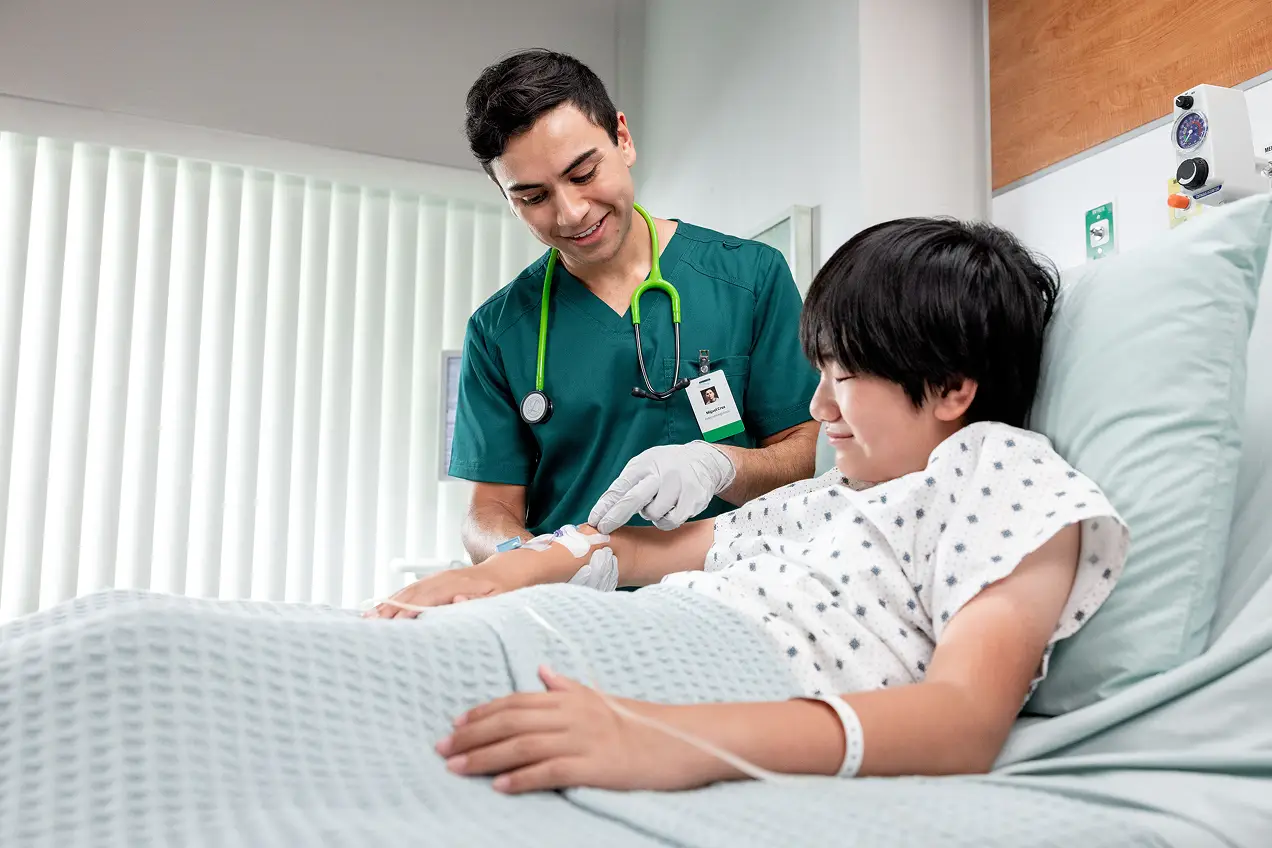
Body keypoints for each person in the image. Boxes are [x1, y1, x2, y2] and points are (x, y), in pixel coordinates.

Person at [361, 216, 1132, 795]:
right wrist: (504, 572)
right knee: (369, 663)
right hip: (619, 631)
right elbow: (636, 552)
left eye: (843, 376)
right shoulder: (830, 495)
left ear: (953, 387)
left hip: (703, 684)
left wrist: (665, 736)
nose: (818, 407)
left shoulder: (998, 472)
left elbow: (962, 721)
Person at [440, 49, 820, 585]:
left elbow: (802, 456)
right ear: (507, 197)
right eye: (533, 197)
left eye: (583, 173)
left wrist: (721, 467)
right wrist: (526, 558)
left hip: (732, 591)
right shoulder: (499, 331)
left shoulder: (750, 277)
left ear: (622, 138)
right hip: (575, 604)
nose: (571, 212)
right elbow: (489, 509)